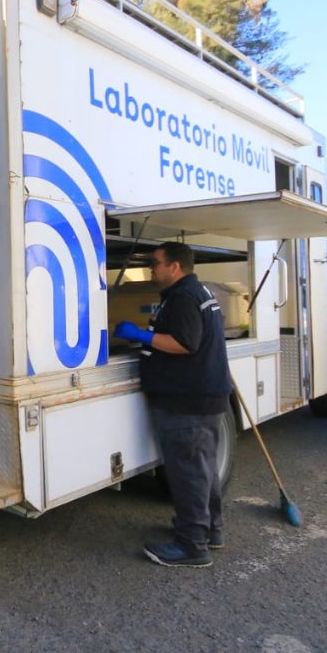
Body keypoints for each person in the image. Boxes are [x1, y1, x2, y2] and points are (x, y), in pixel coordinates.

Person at [113, 241, 230, 568]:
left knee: (188, 471)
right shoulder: (197, 292)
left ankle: (192, 545)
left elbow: (184, 343)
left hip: (186, 401)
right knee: (203, 468)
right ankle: (210, 530)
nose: (152, 268)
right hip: (202, 397)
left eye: (156, 262)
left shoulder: (183, 298)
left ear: (175, 266)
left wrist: (142, 335)